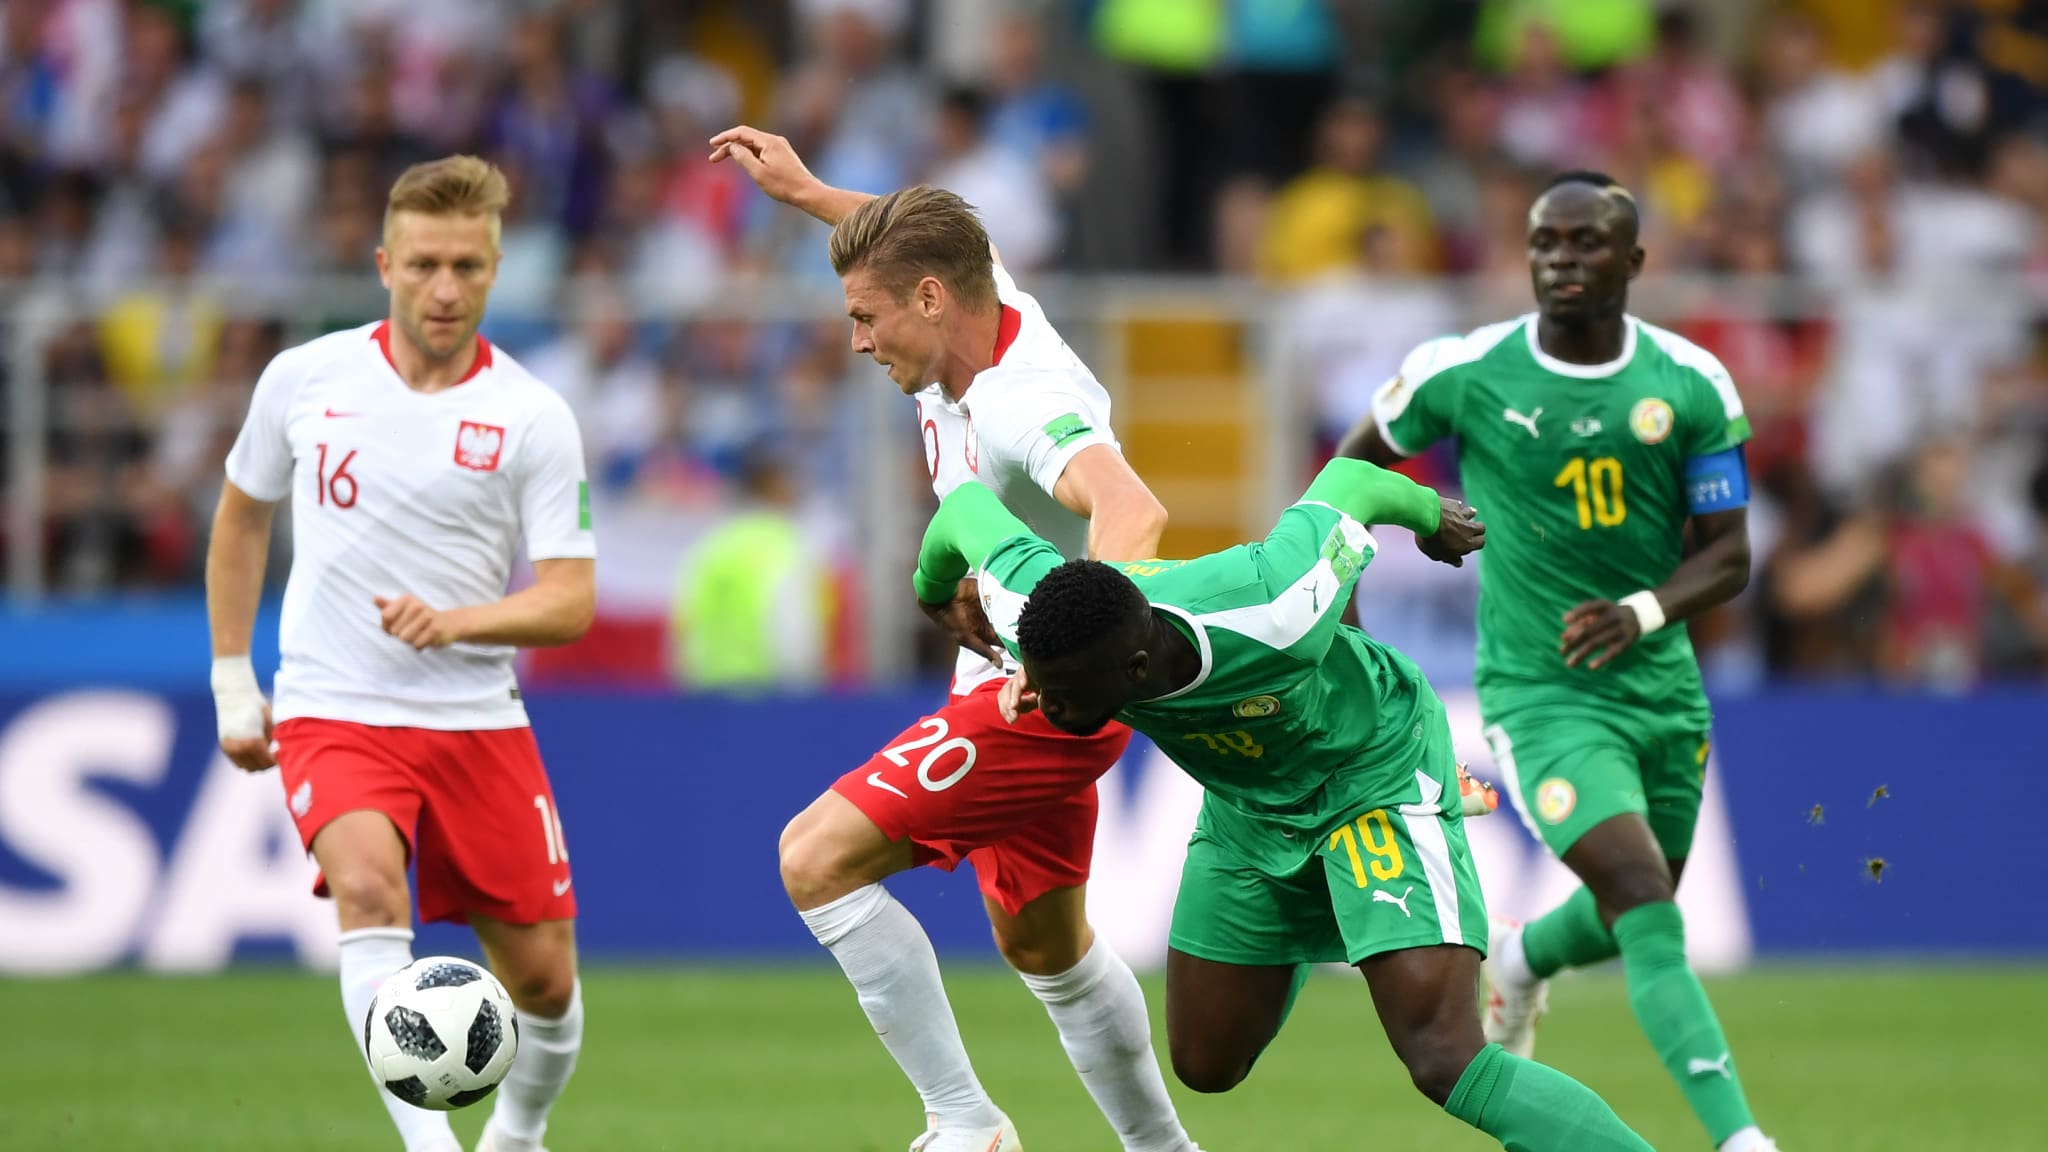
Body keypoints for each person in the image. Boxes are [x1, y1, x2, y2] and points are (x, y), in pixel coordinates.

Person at [913, 457, 1657, 1152]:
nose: (1040, 702)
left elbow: (1348, 482)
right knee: (1207, 1061)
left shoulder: (1272, 608)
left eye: (1063, 695)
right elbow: (967, 511)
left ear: (1136, 668)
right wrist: (932, 590)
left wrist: (1432, 513)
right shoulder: (1038, 611)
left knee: (1442, 1060)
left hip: (1370, 774)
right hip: (1248, 804)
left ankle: (1416, 867)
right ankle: (1383, 909)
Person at [709, 125, 1196, 1152]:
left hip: (1043, 694)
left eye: (864, 318)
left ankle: (963, 1123)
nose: (856, 341)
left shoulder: (1028, 403)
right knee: (1047, 951)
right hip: (1025, 683)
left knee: (814, 859)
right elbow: (917, 238)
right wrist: (804, 195)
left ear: (930, 301)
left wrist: (1061, 660)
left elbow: (1133, 513)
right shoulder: (976, 304)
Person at [1338, 170, 1781, 1152]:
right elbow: (1348, 468)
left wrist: (1641, 608)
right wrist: (1355, 592)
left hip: (1660, 686)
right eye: (1544, 242)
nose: (1560, 261)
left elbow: (1728, 553)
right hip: (1539, 691)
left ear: (1632, 261)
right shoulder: (1465, 369)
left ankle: (1522, 955)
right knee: (1640, 895)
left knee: (1638, 891)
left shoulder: (1687, 382)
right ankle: (1739, 1137)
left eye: (1585, 244)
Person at [207, 156, 594, 1152]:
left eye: (467, 266)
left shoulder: (532, 416)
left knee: (545, 985)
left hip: (473, 717)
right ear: (384, 263)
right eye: (424, 263)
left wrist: (458, 621)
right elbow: (243, 516)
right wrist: (230, 676)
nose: (445, 289)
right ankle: (430, 1148)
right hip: (334, 704)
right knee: (371, 896)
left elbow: (569, 601)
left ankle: (515, 1139)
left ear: (496, 272)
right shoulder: (305, 379)